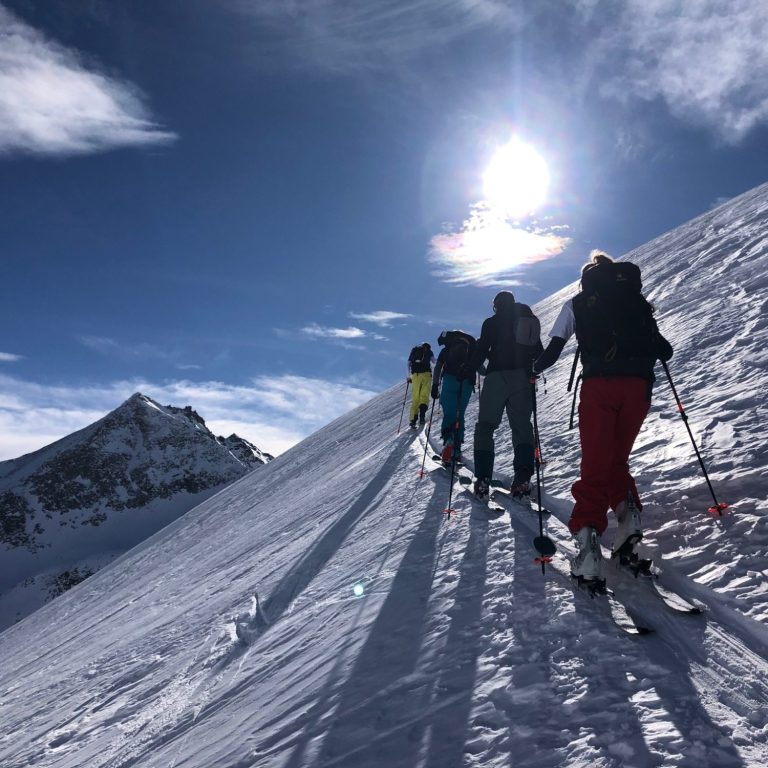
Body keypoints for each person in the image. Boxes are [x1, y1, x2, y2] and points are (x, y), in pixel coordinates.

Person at [534, 250, 673, 587]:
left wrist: (532, 370)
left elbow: (554, 349)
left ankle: (588, 549)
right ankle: (628, 521)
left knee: (595, 465)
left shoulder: (578, 303)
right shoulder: (635, 300)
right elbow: (664, 350)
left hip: (599, 388)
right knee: (616, 461)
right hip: (638, 388)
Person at [468, 291, 543, 500]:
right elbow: (538, 349)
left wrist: (470, 370)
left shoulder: (491, 323)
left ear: (496, 305)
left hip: (496, 377)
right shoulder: (527, 319)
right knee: (522, 426)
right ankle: (523, 477)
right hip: (522, 377)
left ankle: (483, 478)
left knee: (485, 426)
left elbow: (482, 349)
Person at [431, 330, 476, 465]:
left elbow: (438, 368)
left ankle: (448, 440)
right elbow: (480, 367)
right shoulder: (471, 349)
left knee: (449, 413)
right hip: (467, 382)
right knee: (460, 414)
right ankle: (456, 449)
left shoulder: (446, 350)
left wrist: (435, 385)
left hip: (450, 380)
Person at [407, 342, 434, 428]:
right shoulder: (429, 351)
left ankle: (413, 420)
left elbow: (408, 364)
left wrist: (408, 377)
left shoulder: (414, 351)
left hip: (416, 375)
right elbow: (434, 362)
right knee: (424, 396)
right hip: (426, 375)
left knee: (415, 397)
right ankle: (422, 416)